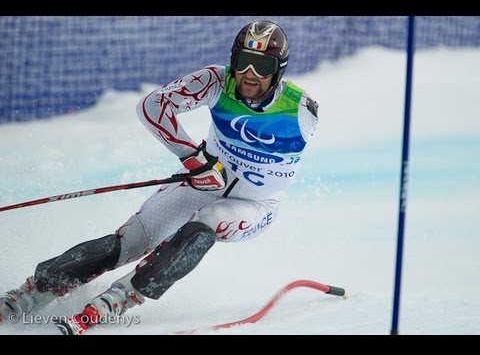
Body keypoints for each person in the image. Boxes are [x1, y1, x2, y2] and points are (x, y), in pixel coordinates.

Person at [0, 20, 319, 335]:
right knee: (129, 241)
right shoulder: (217, 81)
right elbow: (153, 105)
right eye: (243, 62)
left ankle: (117, 300)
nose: (250, 74)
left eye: (262, 66)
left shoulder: (302, 110)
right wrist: (193, 158)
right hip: (201, 183)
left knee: (208, 223)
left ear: (278, 70)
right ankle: (28, 294)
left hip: (253, 205)